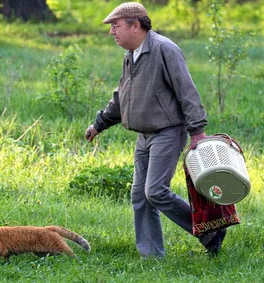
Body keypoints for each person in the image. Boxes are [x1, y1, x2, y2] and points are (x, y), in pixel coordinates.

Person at [84, 2, 226, 258]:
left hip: (168, 132)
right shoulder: (131, 54)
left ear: (135, 25)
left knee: (155, 191)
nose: (111, 32)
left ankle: (210, 232)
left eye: (115, 26)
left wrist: (197, 131)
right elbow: (121, 97)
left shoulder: (164, 49)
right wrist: (99, 124)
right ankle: (151, 257)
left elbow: (187, 90)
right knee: (140, 196)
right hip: (144, 135)